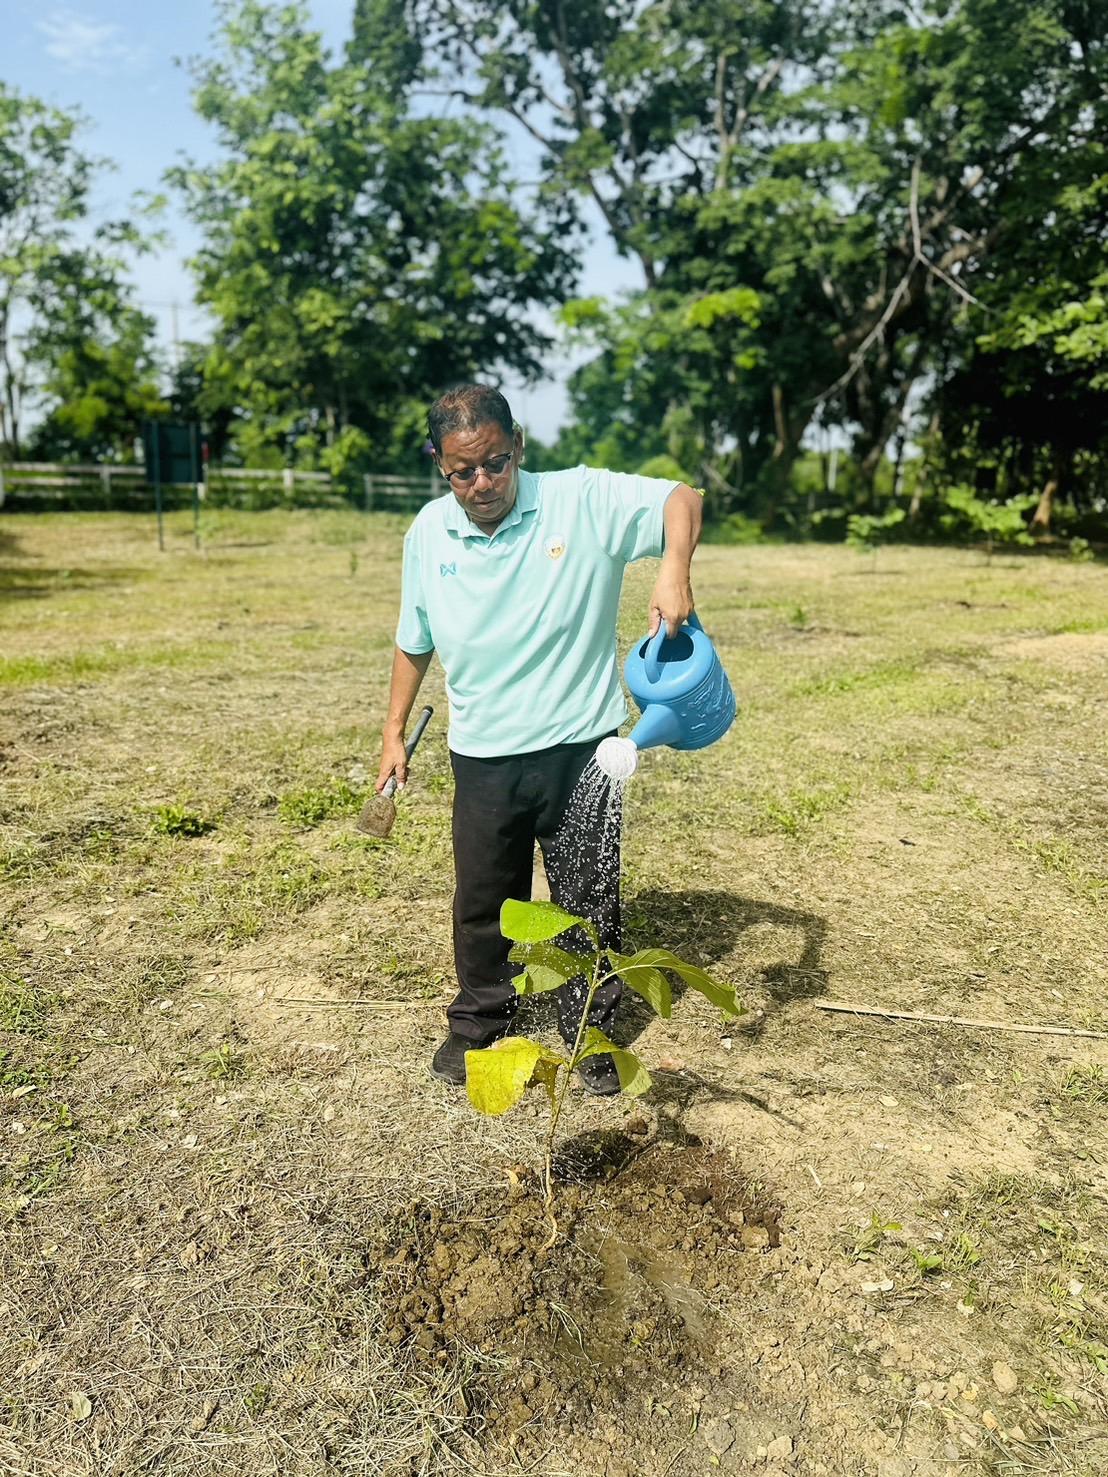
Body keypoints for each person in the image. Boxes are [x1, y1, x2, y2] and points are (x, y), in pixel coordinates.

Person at [376, 384, 703, 1094]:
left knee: (588, 895)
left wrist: (673, 567)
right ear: (440, 464)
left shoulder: (579, 500)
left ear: (517, 444)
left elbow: (682, 496)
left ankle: (589, 1022)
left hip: (580, 747)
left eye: (495, 462)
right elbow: (414, 639)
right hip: (483, 751)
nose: (483, 482)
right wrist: (394, 729)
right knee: (482, 898)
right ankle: (479, 1021)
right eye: (464, 470)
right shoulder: (429, 533)